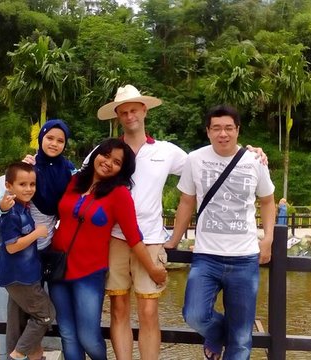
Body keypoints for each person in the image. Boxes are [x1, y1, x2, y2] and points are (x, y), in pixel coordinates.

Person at [96, 84, 269, 360]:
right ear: (118, 116)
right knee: (118, 307)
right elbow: (80, 178)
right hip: (114, 238)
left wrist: (248, 153)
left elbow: (210, 161)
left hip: (151, 239)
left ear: (144, 111)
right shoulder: (106, 152)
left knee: (149, 311)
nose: (130, 116)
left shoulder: (166, 151)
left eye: (134, 110)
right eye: (124, 112)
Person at [165, 104, 276, 360]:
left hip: (245, 258)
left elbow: (268, 201)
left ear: (238, 130)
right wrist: (173, 239)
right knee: (194, 315)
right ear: (208, 131)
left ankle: (233, 334)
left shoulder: (255, 161)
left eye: (228, 128)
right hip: (206, 256)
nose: (222, 134)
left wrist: (268, 238)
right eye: (216, 128)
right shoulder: (195, 159)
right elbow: (186, 201)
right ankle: (216, 333)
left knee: (240, 341)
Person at [48, 138, 167, 360]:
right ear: (96, 155)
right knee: (67, 334)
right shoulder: (75, 181)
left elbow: (134, 237)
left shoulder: (119, 194)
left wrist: (152, 269)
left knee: (88, 337)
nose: (107, 162)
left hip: (89, 273)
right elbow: (45, 177)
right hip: (58, 267)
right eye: (105, 155)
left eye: (116, 162)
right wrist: (33, 161)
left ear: (122, 170)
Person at [0, 162, 56, 360]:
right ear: (9, 185)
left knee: (17, 322)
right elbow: (11, 246)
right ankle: (17, 355)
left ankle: (33, 356)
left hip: (21, 275)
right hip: (21, 277)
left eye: (32, 184)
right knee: (45, 315)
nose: (29, 189)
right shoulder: (12, 214)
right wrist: (37, 233)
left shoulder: (20, 208)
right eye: (22, 184)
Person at [0, 119, 76, 250]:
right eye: (50, 138)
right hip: (23, 237)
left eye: (60, 141)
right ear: (41, 138)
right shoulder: (30, 166)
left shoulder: (68, 170)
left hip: (49, 237)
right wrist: (2, 206)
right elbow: (6, 198)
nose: (54, 144)